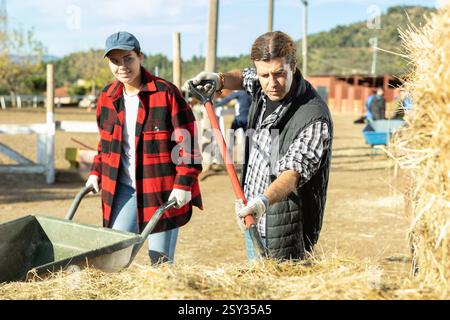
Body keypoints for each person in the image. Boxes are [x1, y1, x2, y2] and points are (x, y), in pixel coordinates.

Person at [187, 31, 333, 261]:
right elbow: (242, 77)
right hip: (251, 216)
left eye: (279, 74)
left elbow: (292, 174)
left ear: (293, 66)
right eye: (264, 75)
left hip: (286, 228)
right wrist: (220, 79)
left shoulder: (313, 115)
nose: (271, 83)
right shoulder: (260, 82)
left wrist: (262, 202)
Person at [85, 31, 202, 264]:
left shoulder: (166, 93)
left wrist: (183, 184)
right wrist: (96, 172)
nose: (122, 66)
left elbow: (187, 142)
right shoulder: (107, 97)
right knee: (114, 255)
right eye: (115, 61)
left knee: (159, 260)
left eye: (128, 58)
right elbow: (105, 144)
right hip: (123, 188)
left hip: (161, 189)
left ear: (140, 57)